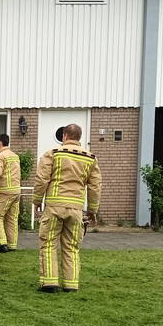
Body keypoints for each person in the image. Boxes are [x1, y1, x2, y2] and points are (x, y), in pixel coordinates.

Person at [32, 124, 101, 293]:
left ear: (64, 136)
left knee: (48, 244)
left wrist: (37, 200)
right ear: (79, 137)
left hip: (54, 207)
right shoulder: (90, 158)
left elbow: (42, 179)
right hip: (76, 209)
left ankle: (49, 282)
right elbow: (95, 187)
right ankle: (71, 284)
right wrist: (92, 211)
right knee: (71, 247)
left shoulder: (53, 153)